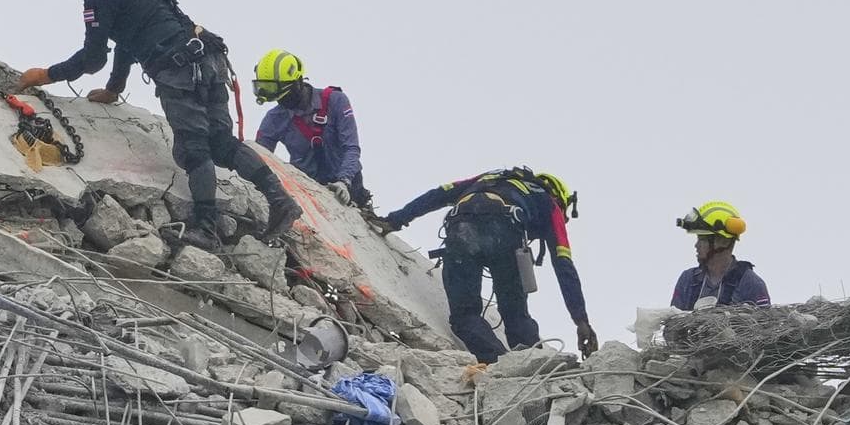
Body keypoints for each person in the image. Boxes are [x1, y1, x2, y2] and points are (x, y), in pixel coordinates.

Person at [16, 0, 301, 250]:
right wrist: (115, 88)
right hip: (209, 57)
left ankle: (206, 228)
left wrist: (44, 75)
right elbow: (128, 39)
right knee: (221, 143)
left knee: (193, 149)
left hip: (179, 68)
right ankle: (281, 202)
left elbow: (93, 57)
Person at [381, 167, 599, 361]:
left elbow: (439, 194)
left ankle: (498, 363)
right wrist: (581, 320)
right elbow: (563, 263)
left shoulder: (489, 179)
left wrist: (395, 219)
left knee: (465, 315)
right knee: (516, 317)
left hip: (460, 229)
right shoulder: (549, 203)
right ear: (559, 197)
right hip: (506, 233)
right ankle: (532, 367)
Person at [252, 49, 373, 211]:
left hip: (351, 189)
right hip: (309, 191)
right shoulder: (274, 119)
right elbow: (261, 158)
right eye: (276, 98)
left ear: (298, 82)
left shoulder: (335, 101)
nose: (281, 101)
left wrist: (344, 181)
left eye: (285, 95)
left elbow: (351, 147)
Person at [670, 201, 770, 310]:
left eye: (702, 239)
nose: (696, 245)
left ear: (722, 241)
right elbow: (673, 322)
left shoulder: (751, 284)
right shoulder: (688, 279)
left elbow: (764, 325)